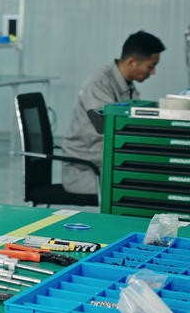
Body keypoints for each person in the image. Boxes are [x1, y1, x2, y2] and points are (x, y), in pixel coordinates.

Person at [62, 30, 165, 195]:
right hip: (87, 170)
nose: (153, 72)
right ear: (132, 62)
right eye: (151, 66)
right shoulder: (98, 84)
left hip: (109, 163)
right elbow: (111, 129)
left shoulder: (126, 84)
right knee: (148, 183)